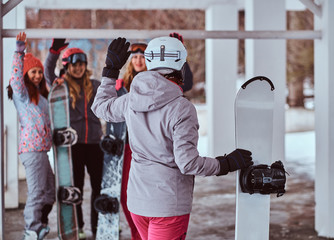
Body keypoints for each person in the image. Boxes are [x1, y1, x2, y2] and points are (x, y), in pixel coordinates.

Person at [91, 36, 254, 240]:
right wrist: (225, 164)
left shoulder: (131, 100)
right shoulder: (182, 108)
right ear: (180, 67)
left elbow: (100, 108)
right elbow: (187, 164)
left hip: (137, 204)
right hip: (167, 206)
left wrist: (110, 71)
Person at [44, 39, 104, 239]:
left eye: (81, 65)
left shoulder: (95, 86)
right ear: (67, 67)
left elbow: (111, 90)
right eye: (74, 65)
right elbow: (47, 74)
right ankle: (78, 225)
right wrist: (54, 52)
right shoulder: (62, 86)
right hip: (74, 145)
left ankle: (98, 226)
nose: (78, 69)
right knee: (75, 187)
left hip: (95, 143)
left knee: (99, 187)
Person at [7, 32, 55, 240]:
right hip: (31, 150)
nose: (37, 75)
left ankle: (40, 223)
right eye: (33, 72)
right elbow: (15, 80)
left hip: (42, 151)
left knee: (51, 192)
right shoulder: (23, 96)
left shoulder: (41, 98)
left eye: (39, 72)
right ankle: (31, 229)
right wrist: (19, 52)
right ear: (26, 74)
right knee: (36, 193)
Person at [110, 42, 148, 240]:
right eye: (135, 57)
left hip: (148, 145)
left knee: (148, 193)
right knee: (126, 195)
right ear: (130, 61)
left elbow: (187, 84)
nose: (138, 60)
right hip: (126, 146)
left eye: (142, 56)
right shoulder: (122, 86)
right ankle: (138, 234)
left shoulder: (156, 81)